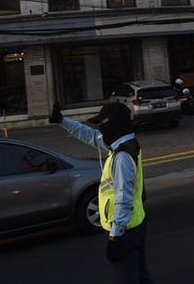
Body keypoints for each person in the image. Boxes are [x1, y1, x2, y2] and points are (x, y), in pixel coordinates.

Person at [49, 102, 155, 283]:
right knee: (140, 275)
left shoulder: (122, 157)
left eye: (103, 122)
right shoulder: (124, 142)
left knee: (127, 278)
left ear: (115, 124)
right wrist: (62, 121)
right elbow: (90, 135)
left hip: (126, 231)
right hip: (136, 224)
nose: (100, 127)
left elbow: (123, 199)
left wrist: (115, 238)